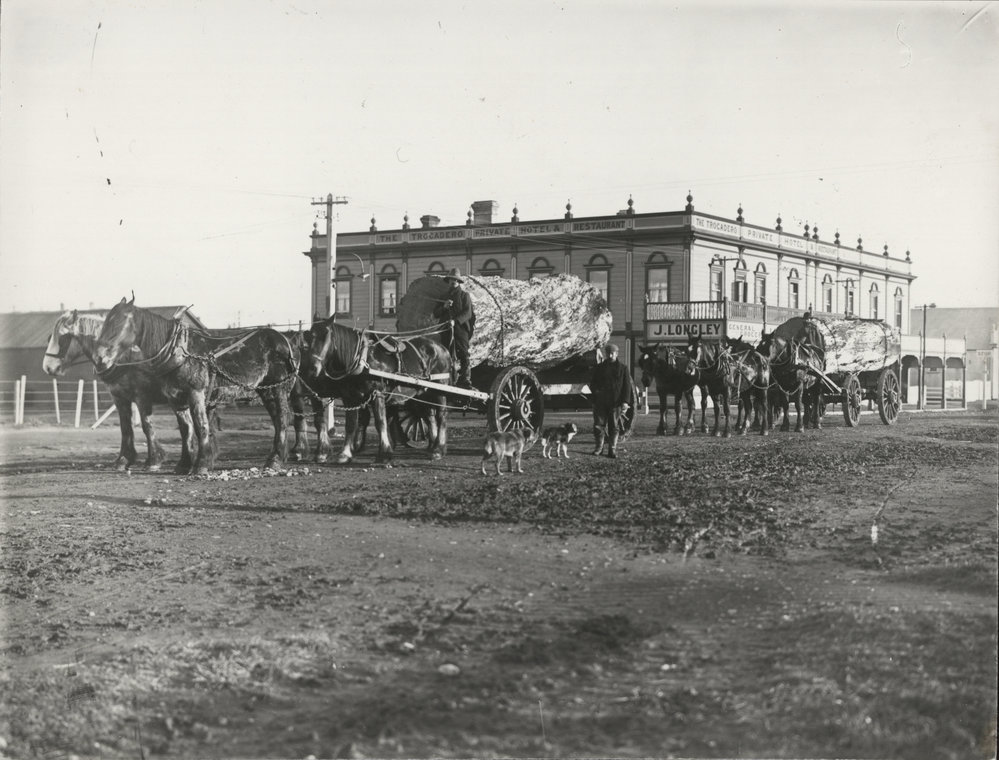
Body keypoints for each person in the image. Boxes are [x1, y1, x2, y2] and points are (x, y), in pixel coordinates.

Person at [589, 342, 634, 458]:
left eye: (612, 353)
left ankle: (612, 450)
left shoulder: (623, 369)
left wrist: (625, 402)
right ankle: (599, 448)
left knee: (614, 427)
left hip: (616, 402)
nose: (609, 356)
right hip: (601, 402)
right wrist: (597, 394)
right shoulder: (599, 368)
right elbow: (592, 384)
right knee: (599, 425)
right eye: (608, 353)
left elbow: (627, 387)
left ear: (616, 354)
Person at [437, 267, 476, 389]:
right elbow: (435, 313)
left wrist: (455, 321)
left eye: (455, 280)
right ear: (448, 281)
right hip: (445, 330)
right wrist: (444, 306)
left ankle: (466, 379)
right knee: (445, 354)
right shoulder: (443, 297)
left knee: (463, 354)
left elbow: (468, 313)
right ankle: (448, 379)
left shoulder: (465, 296)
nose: (453, 281)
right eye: (451, 279)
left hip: (460, 330)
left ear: (458, 282)